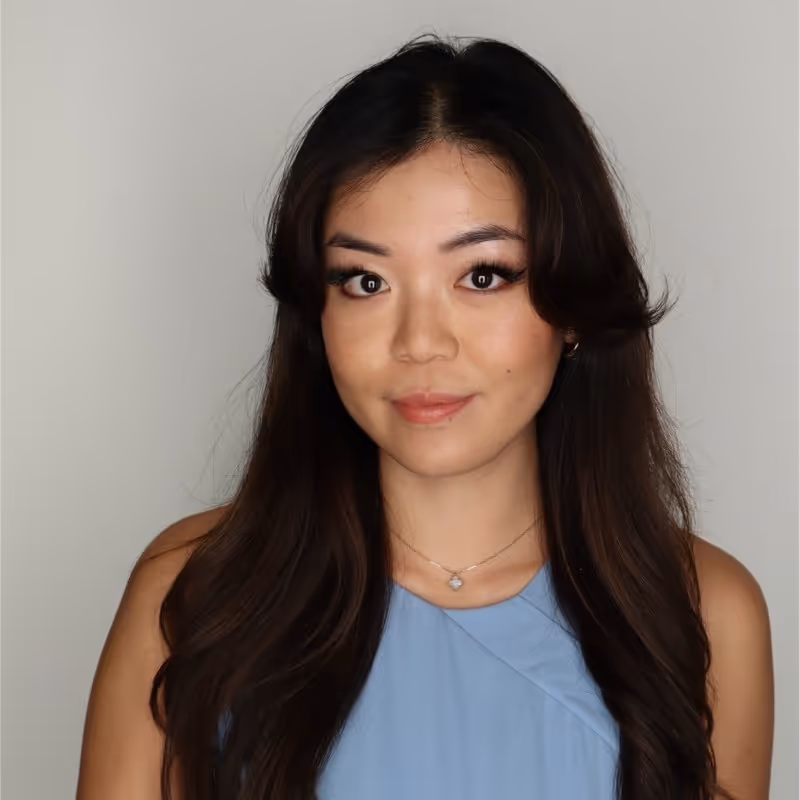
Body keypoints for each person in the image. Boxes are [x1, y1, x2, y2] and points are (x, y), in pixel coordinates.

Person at [76, 33, 774, 800]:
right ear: (317, 312)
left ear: (573, 303)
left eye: (483, 275)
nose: (419, 343)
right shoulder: (196, 594)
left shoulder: (707, 614)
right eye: (365, 281)